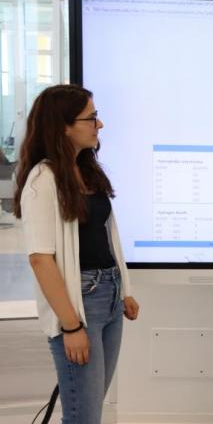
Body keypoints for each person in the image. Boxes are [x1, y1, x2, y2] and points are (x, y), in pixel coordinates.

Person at [12, 84, 140, 424]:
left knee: (90, 410)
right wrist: (71, 326)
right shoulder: (43, 180)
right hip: (80, 302)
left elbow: (106, 236)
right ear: (64, 126)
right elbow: (41, 259)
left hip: (109, 295)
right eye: (91, 118)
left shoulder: (86, 171)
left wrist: (124, 290)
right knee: (83, 416)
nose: (100, 124)